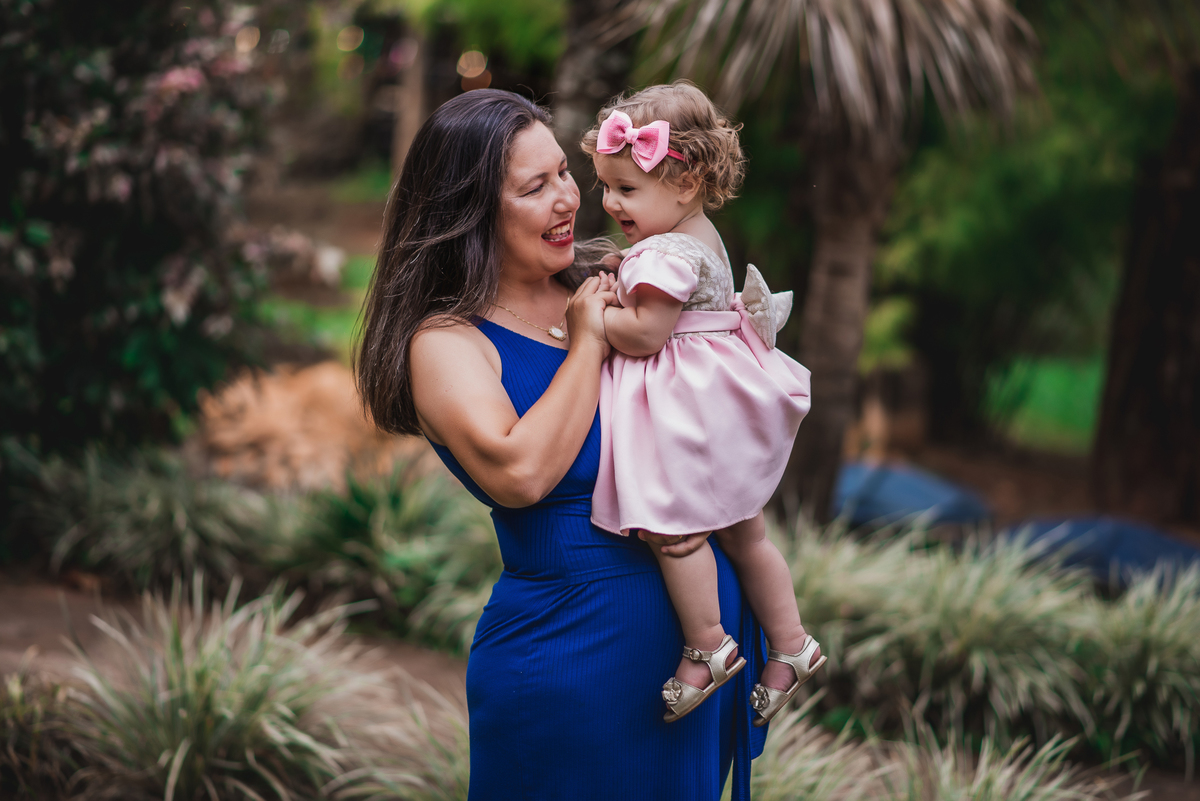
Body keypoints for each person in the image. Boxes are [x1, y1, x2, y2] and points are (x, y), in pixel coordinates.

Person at [355, 89, 766, 800]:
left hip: (694, 675)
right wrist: (587, 345)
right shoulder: (447, 342)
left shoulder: (612, 280)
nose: (569, 199)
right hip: (575, 665)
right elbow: (521, 473)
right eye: (534, 187)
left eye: (564, 174)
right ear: (470, 211)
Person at [580, 82, 825, 725]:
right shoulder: (698, 233)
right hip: (719, 402)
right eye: (606, 186)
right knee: (747, 533)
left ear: (685, 184)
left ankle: (709, 645)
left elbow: (646, 334)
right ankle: (792, 643)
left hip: (685, 412)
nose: (610, 202)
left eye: (626, 188)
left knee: (675, 532)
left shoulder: (665, 251)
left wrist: (596, 316)